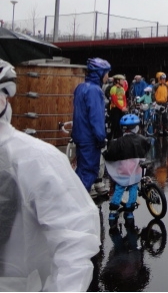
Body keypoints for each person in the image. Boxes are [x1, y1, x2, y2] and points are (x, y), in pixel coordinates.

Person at [0, 59, 101, 291]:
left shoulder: (32, 158)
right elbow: (75, 240)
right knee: (85, 174)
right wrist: (98, 135)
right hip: (86, 139)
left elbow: (73, 242)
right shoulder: (36, 158)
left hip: (81, 137)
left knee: (84, 175)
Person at [103, 114, 151, 229]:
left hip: (123, 171)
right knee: (133, 188)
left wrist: (105, 154)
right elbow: (147, 146)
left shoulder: (118, 142)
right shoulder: (142, 140)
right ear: (136, 127)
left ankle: (113, 213)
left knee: (119, 189)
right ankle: (129, 212)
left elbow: (110, 154)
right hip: (136, 171)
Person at [73, 57, 111, 192]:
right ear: (99, 73)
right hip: (90, 139)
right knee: (88, 173)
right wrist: (101, 138)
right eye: (106, 73)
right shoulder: (95, 91)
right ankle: (77, 205)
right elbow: (96, 118)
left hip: (80, 136)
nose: (107, 76)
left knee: (81, 171)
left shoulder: (80, 88)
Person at [109, 74, 128, 140]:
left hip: (122, 109)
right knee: (115, 125)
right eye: (122, 80)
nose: (123, 81)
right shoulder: (113, 88)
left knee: (121, 125)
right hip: (115, 109)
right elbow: (114, 100)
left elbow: (124, 99)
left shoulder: (122, 89)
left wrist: (124, 106)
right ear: (117, 81)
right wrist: (121, 107)